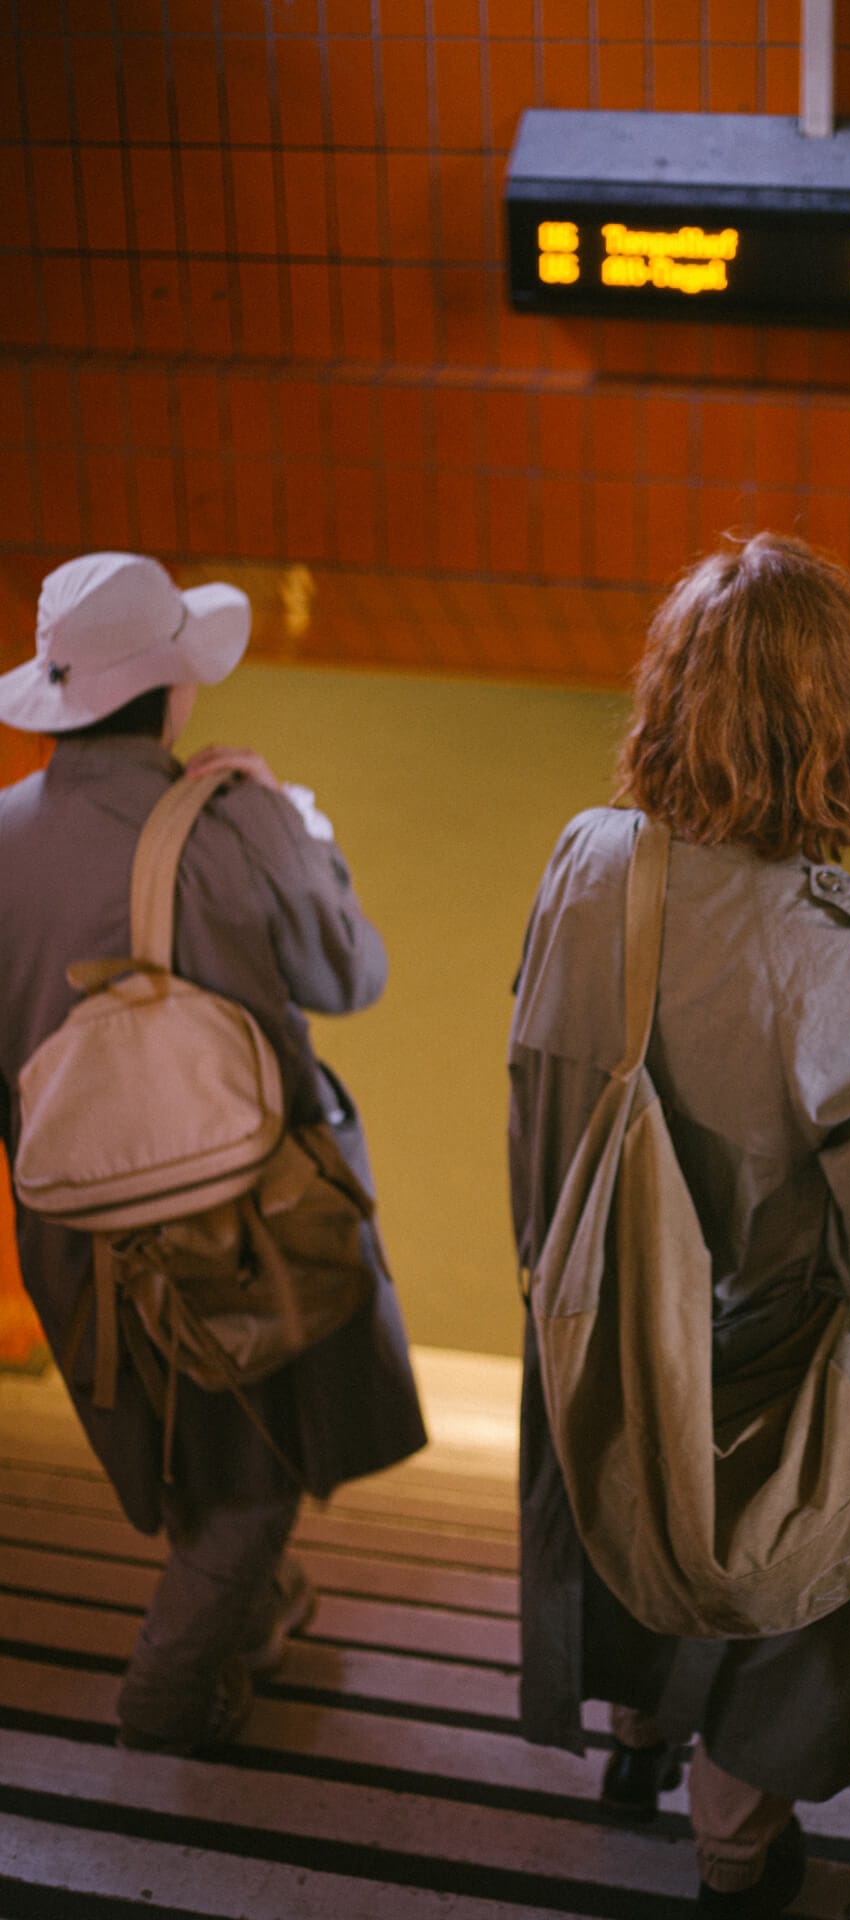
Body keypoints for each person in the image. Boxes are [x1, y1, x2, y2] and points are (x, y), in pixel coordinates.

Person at [508, 532, 850, 1914]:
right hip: (772, 1356)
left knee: (623, 1510)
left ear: (670, 697)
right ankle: (732, 1843)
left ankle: (636, 1733)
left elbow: (532, 1089)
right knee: (801, 1576)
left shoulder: (588, 864)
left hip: (591, 1312)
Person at [0, 550, 427, 1754]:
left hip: (71, 1230)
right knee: (256, 1469)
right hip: (239, 1224)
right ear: (173, 688)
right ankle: (166, 1700)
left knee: (185, 1449)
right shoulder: (233, 820)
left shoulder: (1, 836)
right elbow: (350, 974)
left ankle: (248, 1611)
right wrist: (292, 828)